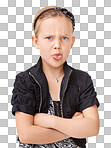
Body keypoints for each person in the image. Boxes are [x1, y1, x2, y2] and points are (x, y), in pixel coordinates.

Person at [11, 6, 100, 148]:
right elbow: (26, 134)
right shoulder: (25, 80)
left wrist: (48, 121)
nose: (57, 45)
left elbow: (92, 127)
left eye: (64, 38)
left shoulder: (82, 79)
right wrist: (73, 129)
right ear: (36, 41)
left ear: (72, 42)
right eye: (49, 38)